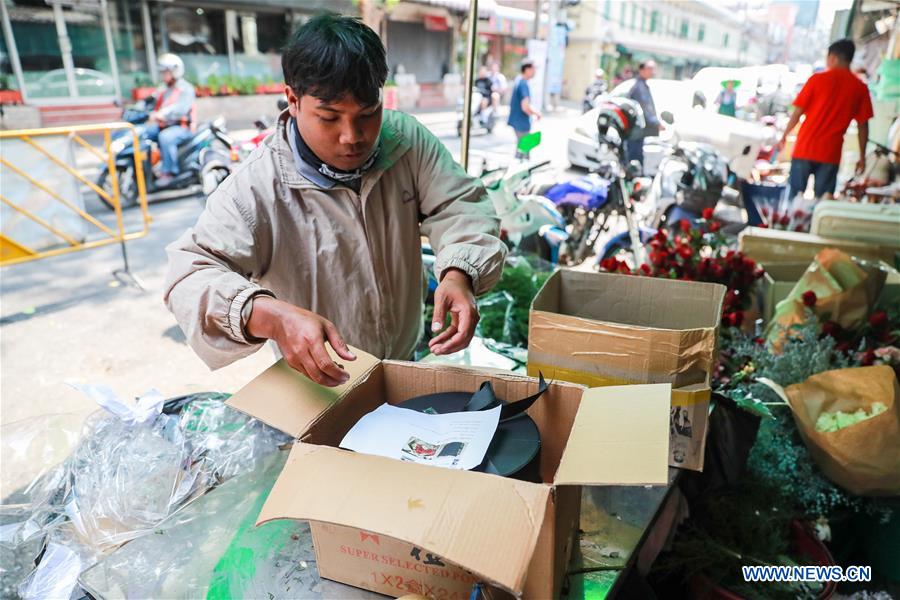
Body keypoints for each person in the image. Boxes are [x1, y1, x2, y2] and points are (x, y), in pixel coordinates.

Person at [164, 14, 506, 387]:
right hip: (319, 381)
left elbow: (460, 204)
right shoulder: (255, 187)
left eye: (368, 114)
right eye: (329, 117)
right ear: (293, 100)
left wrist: (459, 273)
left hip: (404, 361)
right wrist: (271, 316)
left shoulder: (406, 140)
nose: (351, 136)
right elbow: (190, 276)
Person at [778, 39, 874, 199]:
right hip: (831, 153)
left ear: (833, 57)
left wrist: (784, 135)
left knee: (794, 199)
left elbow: (797, 113)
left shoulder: (816, 80)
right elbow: (863, 126)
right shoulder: (860, 88)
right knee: (823, 201)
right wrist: (862, 156)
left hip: (804, 148)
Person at [145, 53, 196, 186]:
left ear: (175, 71)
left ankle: (169, 172)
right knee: (144, 132)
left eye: (165, 72)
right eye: (162, 72)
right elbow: (150, 101)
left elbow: (181, 108)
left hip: (183, 127)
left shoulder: (185, 88)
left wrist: (163, 113)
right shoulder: (164, 88)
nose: (163, 75)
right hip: (165, 125)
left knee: (165, 137)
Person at [625, 60, 660, 167]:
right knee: (634, 160)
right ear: (641, 70)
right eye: (649, 69)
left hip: (637, 130)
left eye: (653, 69)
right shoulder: (639, 87)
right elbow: (645, 107)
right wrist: (656, 123)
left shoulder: (642, 85)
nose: (652, 71)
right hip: (636, 130)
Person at [508, 59, 541, 159]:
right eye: (533, 69)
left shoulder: (519, 81)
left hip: (518, 121)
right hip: (521, 123)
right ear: (527, 70)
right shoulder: (523, 84)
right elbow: (525, 106)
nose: (535, 72)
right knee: (523, 153)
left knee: (522, 150)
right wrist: (536, 113)